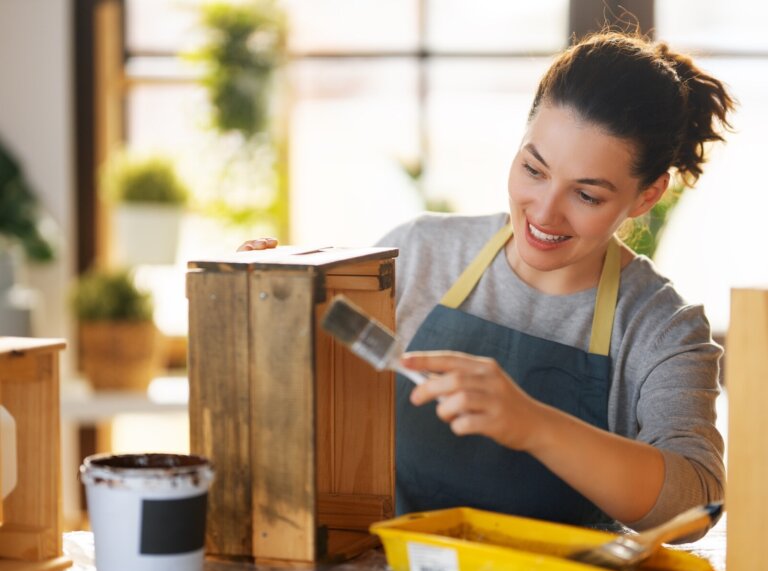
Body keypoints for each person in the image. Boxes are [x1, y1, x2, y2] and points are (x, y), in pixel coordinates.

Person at [239, 30, 734, 540]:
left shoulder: (661, 327)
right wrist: (264, 307)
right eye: (533, 169)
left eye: (586, 195)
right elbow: (310, 398)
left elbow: (697, 503)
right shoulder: (419, 253)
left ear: (646, 197)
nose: (544, 212)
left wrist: (534, 425)